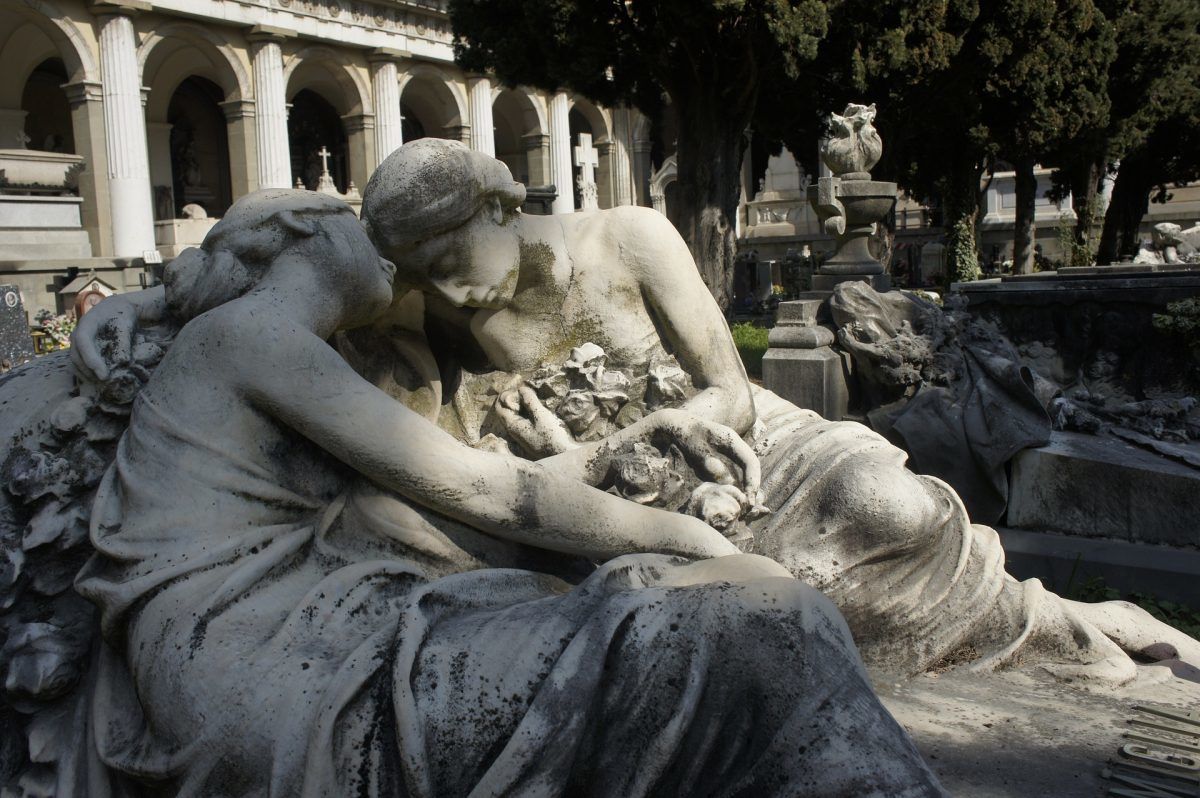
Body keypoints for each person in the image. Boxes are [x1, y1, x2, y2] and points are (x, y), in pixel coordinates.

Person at [72, 189, 944, 796]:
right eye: (366, 237)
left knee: (733, 618)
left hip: (301, 636)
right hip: (275, 677)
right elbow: (482, 489)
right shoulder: (255, 336)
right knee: (755, 625)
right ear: (310, 230)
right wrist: (689, 541)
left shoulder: (259, 341)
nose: (410, 279)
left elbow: (455, 498)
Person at [354, 139, 1199, 683]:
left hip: (744, 440)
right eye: (428, 274)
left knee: (888, 504)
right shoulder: (444, 315)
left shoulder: (627, 237)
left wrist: (652, 433)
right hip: (619, 493)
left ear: (502, 206)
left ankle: (1055, 620)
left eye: (454, 257)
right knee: (750, 610)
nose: (455, 289)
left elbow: (724, 388)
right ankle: (1055, 632)